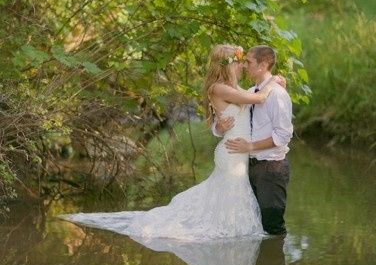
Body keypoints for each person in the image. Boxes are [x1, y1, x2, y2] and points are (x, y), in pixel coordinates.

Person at [60, 44, 282, 241]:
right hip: (233, 151)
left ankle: (235, 235)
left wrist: (268, 83)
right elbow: (258, 98)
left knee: (230, 194)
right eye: (239, 62)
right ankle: (232, 238)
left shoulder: (233, 89)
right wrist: (275, 82)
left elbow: (250, 97)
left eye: (244, 63)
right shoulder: (218, 88)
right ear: (227, 65)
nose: (243, 67)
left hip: (239, 151)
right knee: (230, 192)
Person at [214, 45, 293, 236]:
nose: (244, 65)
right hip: (248, 166)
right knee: (255, 229)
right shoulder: (251, 91)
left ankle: (274, 263)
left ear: (263, 64)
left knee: (273, 228)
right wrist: (219, 127)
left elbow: (282, 136)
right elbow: (227, 119)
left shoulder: (277, 94)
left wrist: (250, 146)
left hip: (271, 168)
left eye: (248, 62)